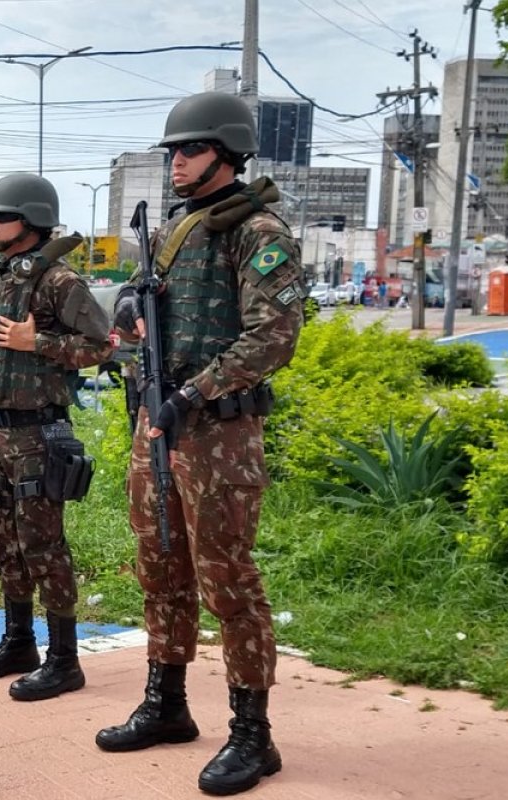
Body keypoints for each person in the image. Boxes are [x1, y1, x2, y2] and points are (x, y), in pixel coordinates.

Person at [97, 92, 304, 797]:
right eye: (171, 152)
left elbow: (273, 338)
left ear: (226, 152)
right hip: (158, 424)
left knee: (229, 582)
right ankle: (167, 704)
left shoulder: (258, 230)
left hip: (216, 432)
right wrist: (127, 309)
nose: (176, 162)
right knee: (159, 567)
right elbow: (140, 300)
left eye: (188, 150)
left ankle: (253, 735)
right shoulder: (177, 229)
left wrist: (192, 393)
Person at [0, 172, 114, 703]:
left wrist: (40, 342)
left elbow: (102, 345)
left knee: (43, 546)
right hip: (0, 433)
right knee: (3, 541)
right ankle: (19, 642)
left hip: (38, 434)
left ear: (28, 221)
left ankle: (65, 660)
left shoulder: (59, 281)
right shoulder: (5, 274)